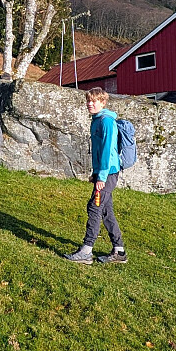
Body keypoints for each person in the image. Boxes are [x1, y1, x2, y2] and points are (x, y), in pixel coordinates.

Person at [65, 87, 127, 265]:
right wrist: (96, 173)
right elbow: (99, 151)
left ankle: (86, 251)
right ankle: (119, 251)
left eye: (94, 101)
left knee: (95, 207)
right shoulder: (96, 120)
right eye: (88, 101)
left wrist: (102, 177)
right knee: (106, 211)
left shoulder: (106, 121)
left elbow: (107, 151)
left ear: (103, 102)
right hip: (104, 172)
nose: (90, 104)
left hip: (109, 173)